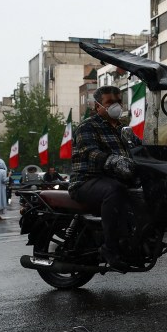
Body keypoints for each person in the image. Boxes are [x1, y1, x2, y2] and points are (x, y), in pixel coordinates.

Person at [69, 85, 135, 269]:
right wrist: (113, 160)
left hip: (115, 179)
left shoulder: (122, 129)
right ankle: (110, 248)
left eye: (119, 102)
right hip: (86, 181)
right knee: (114, 191)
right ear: (97, 106)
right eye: (110, 102)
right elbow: (90, 152)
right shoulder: (87, 126)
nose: (116, 106)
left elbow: (138, 148)